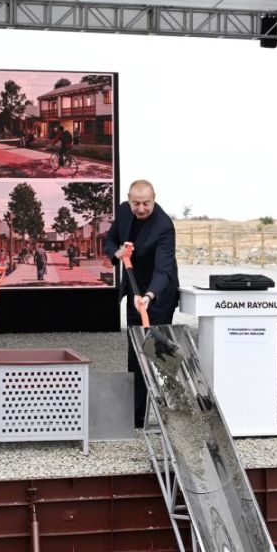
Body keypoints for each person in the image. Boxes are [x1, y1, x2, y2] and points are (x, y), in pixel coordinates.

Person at [105, 179, 179, 428]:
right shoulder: (124, 212)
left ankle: (172, 411)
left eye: (146, 203)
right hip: (134, 292)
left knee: (159, 355)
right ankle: (136, 419)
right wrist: (116, 253)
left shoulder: (164, 226)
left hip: (157, 296)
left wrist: (149, 296)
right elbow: (110, 240)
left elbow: (163, 270)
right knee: (135, 355)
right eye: (136, 203)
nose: (141, 208)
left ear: (154, 199)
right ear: (129, 200)